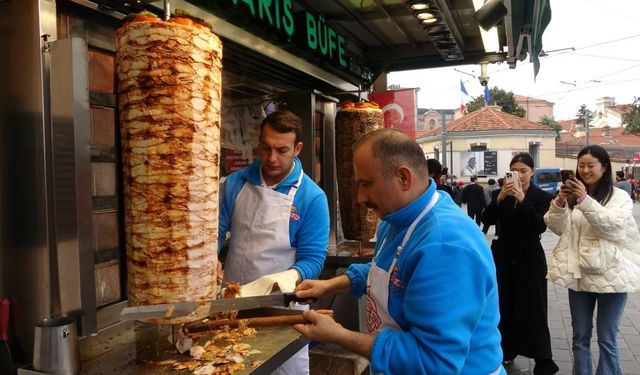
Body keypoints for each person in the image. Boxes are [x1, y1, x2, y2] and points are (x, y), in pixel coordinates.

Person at [292, 128, 505, 374]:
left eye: (366, 184)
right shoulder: (397, 219)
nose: (360, 198)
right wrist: (330, 285)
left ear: (404, 178)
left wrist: (338, 335)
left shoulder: (444, 246)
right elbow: (385, 273)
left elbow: (433, 362)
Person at [218, 110, 330, 375]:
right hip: (232, 304)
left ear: (297, 148)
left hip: (281, 309)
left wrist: (288, 277)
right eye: (266, 148)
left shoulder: (312, 197)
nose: (271, 158)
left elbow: (313, 260)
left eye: (281, 150)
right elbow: (215, 231)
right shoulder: (235, 183)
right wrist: (211, 260)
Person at [544, 145, 640, 375]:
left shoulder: (620, 197)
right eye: (581, 165)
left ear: (604, 167)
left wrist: (585, 200)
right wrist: (559, 203)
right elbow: (558, 228)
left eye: (591, 165)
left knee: (607, 338)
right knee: (580, 337)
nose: (585, 170)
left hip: (612, 274)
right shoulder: (573, 197)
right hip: (579, 273)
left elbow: (612, 228)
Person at [481, 153, 558, 374]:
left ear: (532, 171)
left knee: (534, 306)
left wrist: (523, 200)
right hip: (503, 255)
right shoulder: (500, 193)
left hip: (529, 256)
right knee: (504, 304)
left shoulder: (542, 197)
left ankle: (543, 359)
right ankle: (506, 350)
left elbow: (538, 225)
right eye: (515, 171)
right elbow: (486, 220)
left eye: (524, 171)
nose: (520, 176)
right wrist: (500, 199)